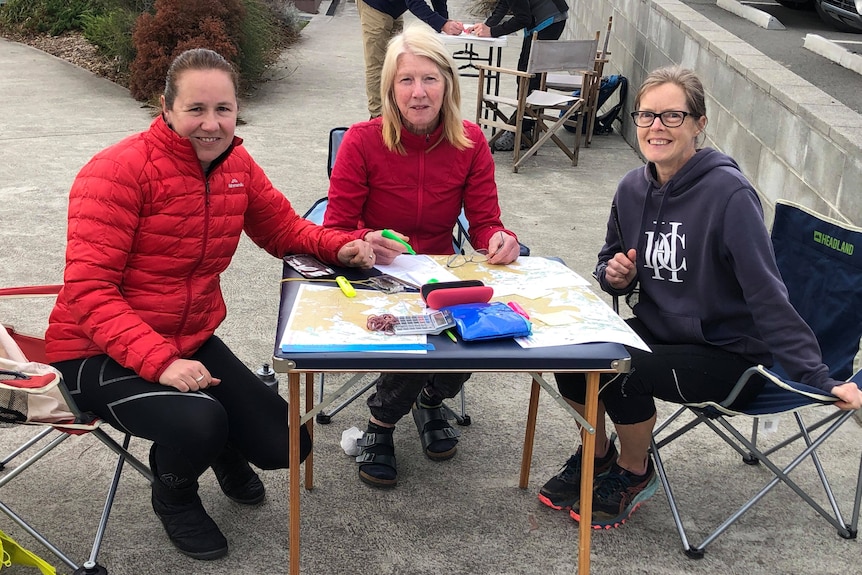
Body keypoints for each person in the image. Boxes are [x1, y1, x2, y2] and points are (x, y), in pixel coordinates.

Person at [44, 48, 375, 561]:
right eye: (196, 109)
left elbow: (282, 228)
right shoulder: (116, 172)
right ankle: (174, 494)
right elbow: (89, 292)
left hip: (188, 338)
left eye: (223, 109)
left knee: (286, 444)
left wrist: (340, 245)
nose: (211, 123)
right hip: (92, 351)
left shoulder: (235, 164)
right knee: (201, 421)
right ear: (166, 108)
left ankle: (218, 444)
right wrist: (162, 363)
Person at [538, 65, 862, 530]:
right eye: (647, 116)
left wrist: (818, 375)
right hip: (658, 329)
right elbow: (610, 261)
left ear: (698, 123)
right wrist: (616, 275)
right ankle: (598, 453)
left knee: (622, 372)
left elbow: (767, 292)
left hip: (729, 352)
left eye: (672, 116)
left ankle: (635, 471)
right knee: (572, 355)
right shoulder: (631, 188)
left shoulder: (729, 195)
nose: (656, 127)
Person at [323, 23, 521, 488]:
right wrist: (366, 239)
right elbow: (334, 228)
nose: (418, 92)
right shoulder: (362, 140)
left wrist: (501, 238)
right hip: (376, 273)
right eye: (406, 80)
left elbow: (485, 222)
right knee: (417, 336)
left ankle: (432, 397)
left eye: (430, 78)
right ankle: (382, 424)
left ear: (448, 84)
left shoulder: (470, 141)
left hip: (438, 270)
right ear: (390, 88)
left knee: (487, 328)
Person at [468, 0, 568, 151]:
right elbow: (505, 3)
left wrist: (493, 32)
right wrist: (488, 25)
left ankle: (522, 131)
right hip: (543, 17)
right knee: (524, 73)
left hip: (549, 19)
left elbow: (523, 19)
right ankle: (525, 124)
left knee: (529, 77)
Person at [357, 0, 464, 119]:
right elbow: (414, 2)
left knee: (397, 63)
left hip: (395, 10)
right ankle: (377, 117)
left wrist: (445, 21)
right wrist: (442, 24)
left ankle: (394, 111)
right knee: (376, 65)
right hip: (375, 6)